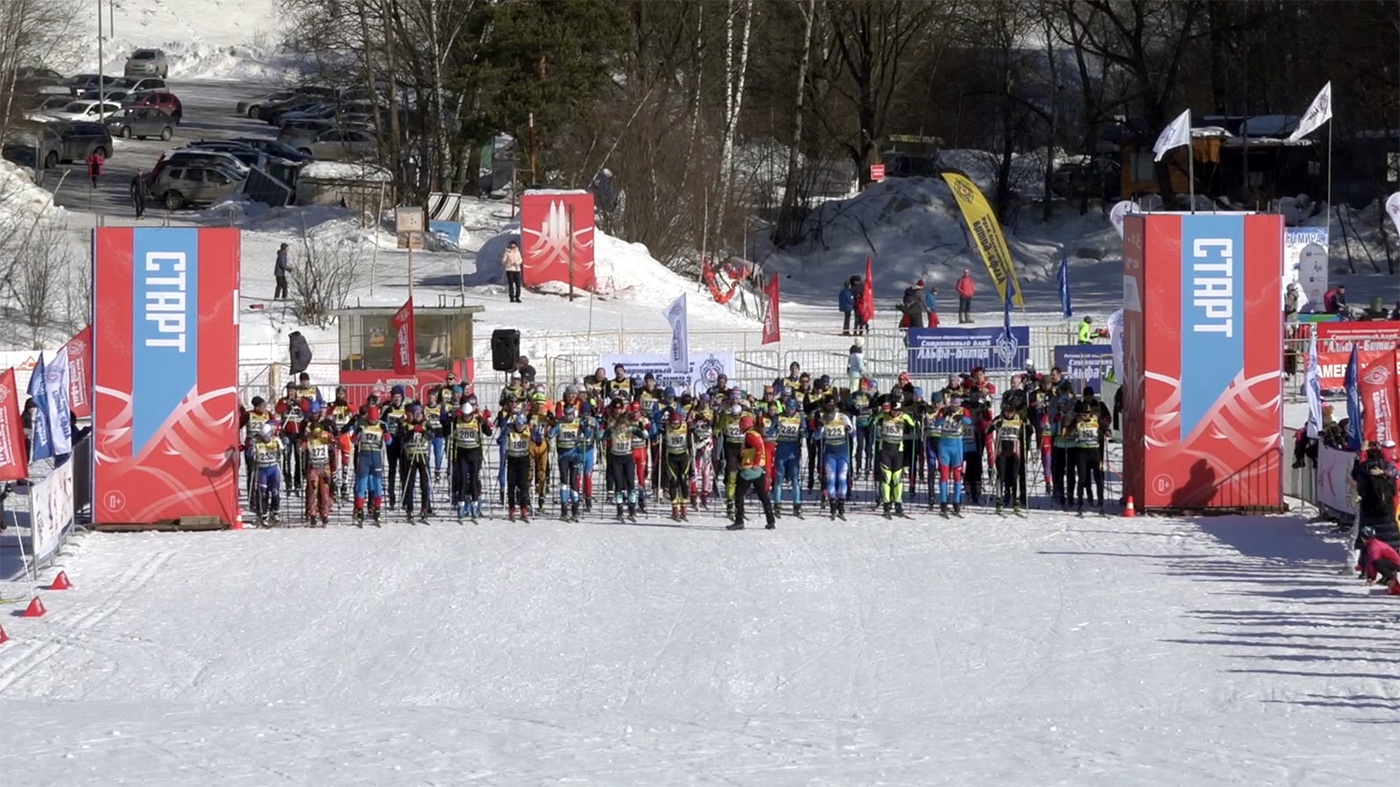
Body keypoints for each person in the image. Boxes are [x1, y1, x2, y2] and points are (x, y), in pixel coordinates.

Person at [1352, 446, 1400, 570]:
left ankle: (1364, 567)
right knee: (1389, 538)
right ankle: (1392, 566)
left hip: (1368, 509)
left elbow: (1358, 483)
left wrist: (1357, 460)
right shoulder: (1388, 467)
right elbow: (1394, 485)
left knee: (1367, 539)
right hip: (1387, 509)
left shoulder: (1363, 469)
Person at [727, 415, 776, 530]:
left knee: (739, 494)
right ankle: (771, 521)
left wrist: (756, 463)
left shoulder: (749, 435)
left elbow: (758, 449)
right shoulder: (755, 433)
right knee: (763, 495)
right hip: (758, 469)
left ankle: (739, 521)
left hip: (750, 469)